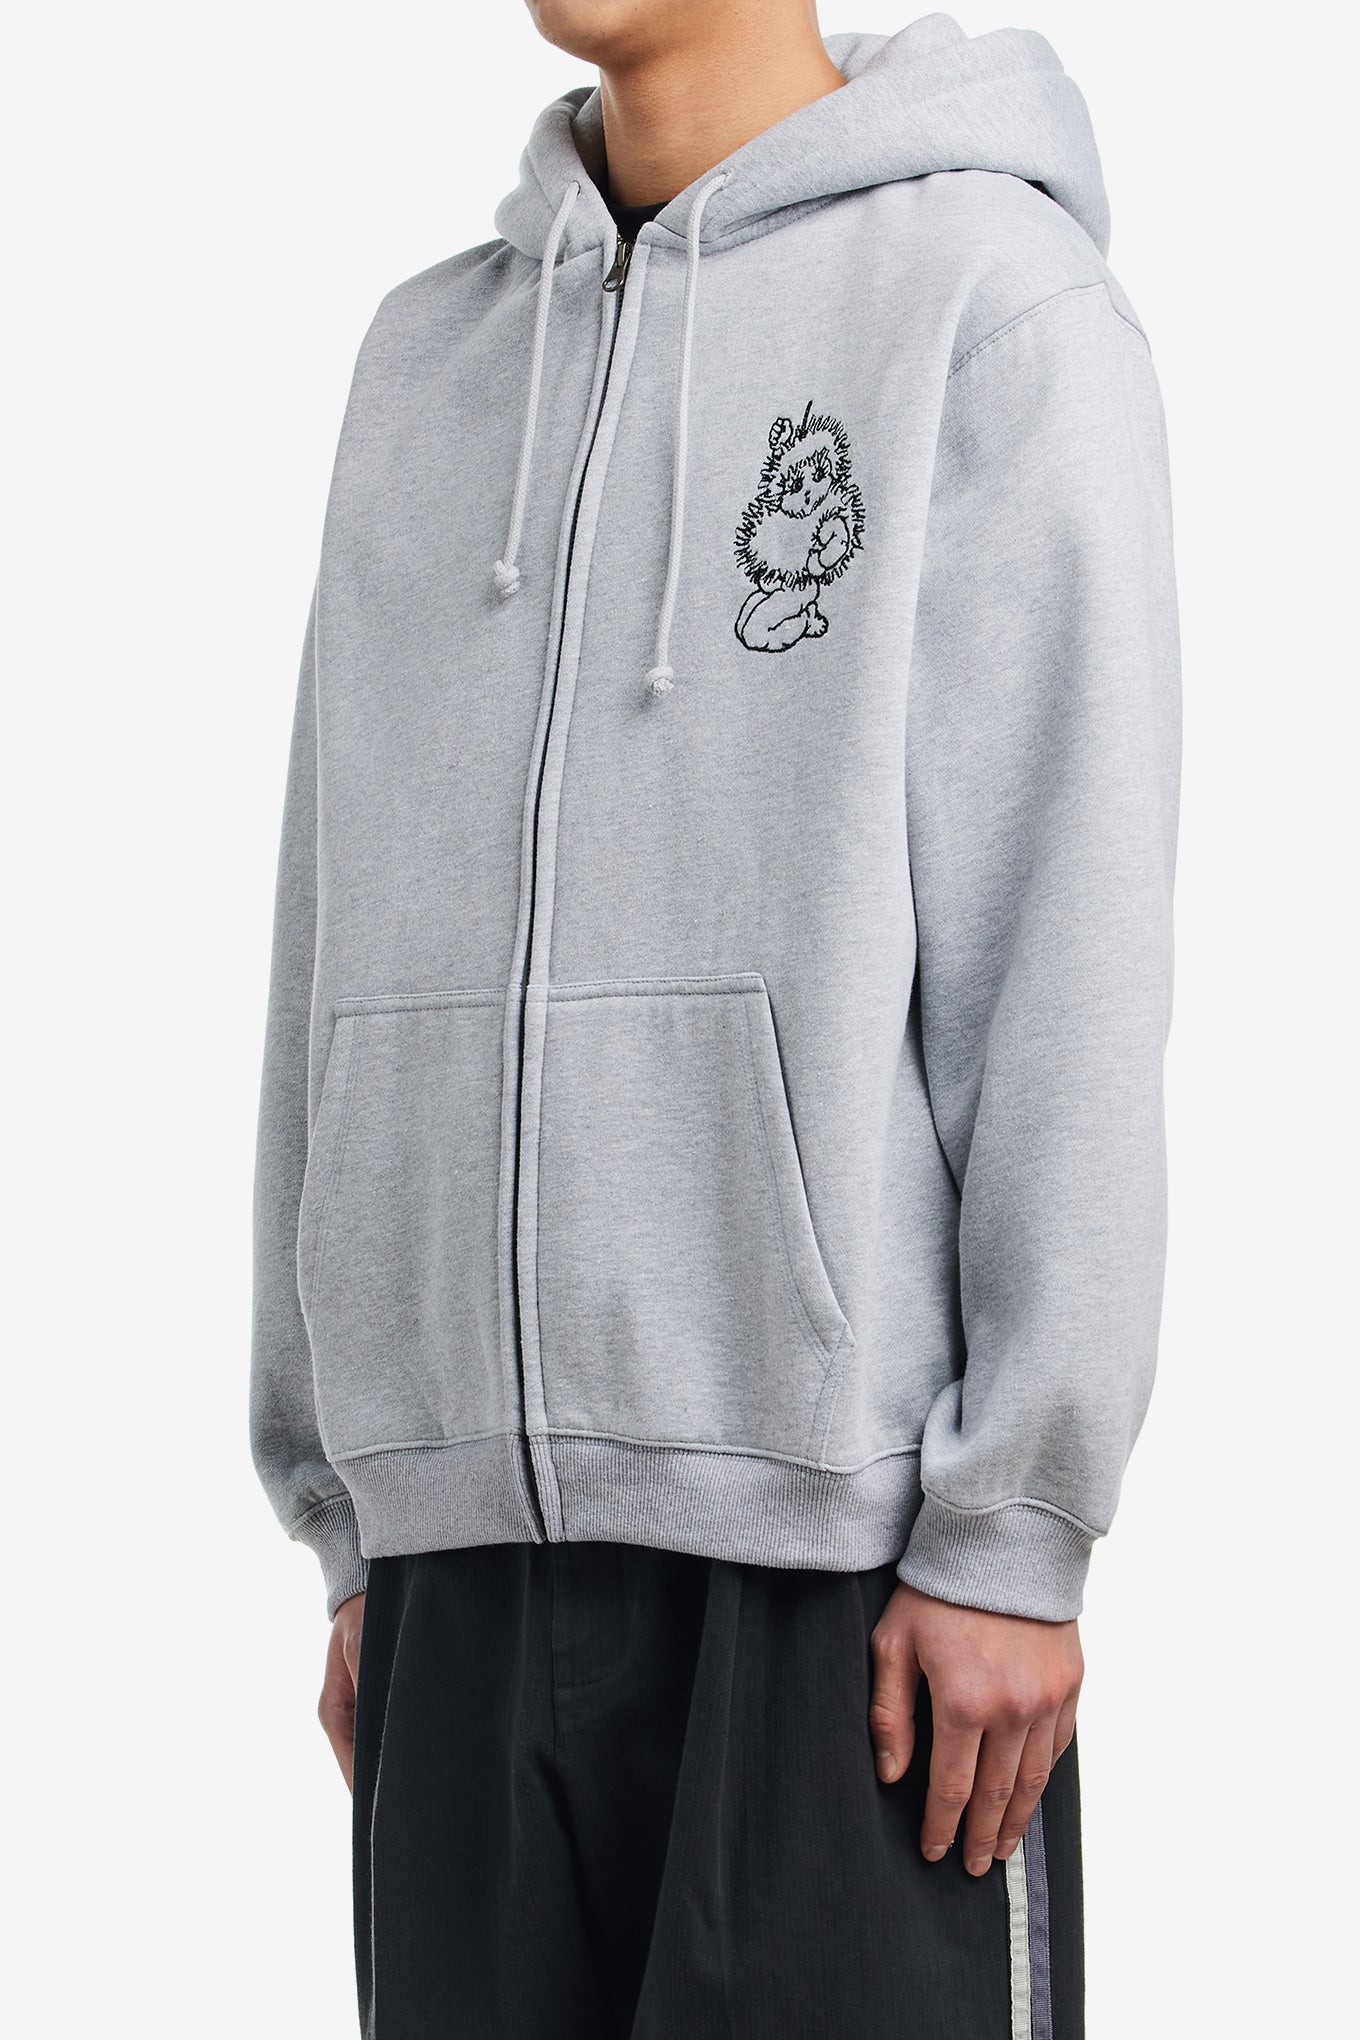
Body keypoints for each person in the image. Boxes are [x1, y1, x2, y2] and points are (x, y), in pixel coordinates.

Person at [250, 3, 1180, 2033]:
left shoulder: (987, 305)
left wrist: (1013, 1525)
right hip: (457, 1571)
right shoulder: (424, 364)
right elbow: (334, 928)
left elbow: (1064, 941)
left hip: (850, 1583)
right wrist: (363, 1510)